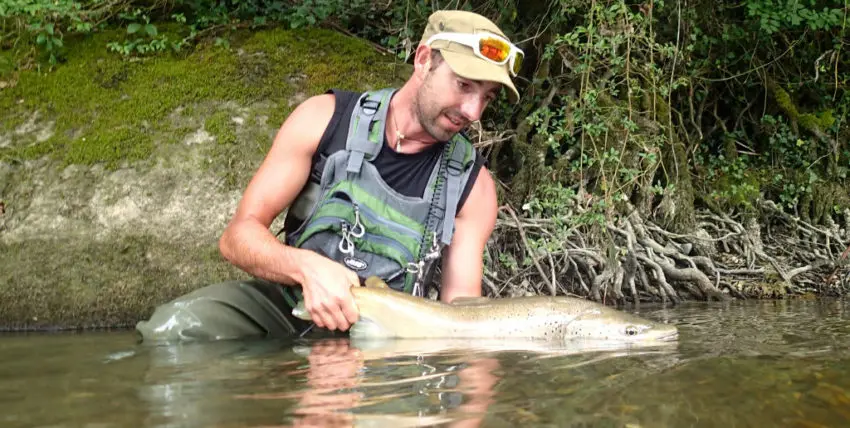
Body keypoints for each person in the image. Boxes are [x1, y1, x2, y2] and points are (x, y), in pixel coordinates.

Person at [135, 10, 523, 342]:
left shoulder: (475, 188)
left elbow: (460, 323)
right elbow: (237, 238)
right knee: (171, 330)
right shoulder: (324, 118)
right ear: (423, 60)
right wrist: (305, 268)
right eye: (464, 85)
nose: (473, 111)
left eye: (486, 97)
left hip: (387, 341)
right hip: (287, 311)